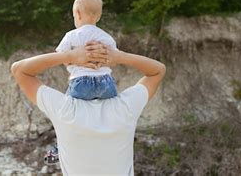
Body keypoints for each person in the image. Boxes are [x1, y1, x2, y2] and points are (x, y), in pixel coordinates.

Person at [11, 41, 166, 175]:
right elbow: (157, 71)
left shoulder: (65, 110)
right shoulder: (125, 107)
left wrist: (69, 56)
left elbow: (19, 70)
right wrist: (119, 57)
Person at [56, 0, 118, 101]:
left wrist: (72, 61)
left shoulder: (71, 35)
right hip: (105, 82)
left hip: (81, 82)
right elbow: (114, 58)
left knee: (70, 103)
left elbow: (60, 56)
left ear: (78, 15)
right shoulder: (106, 37)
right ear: (99, 17)